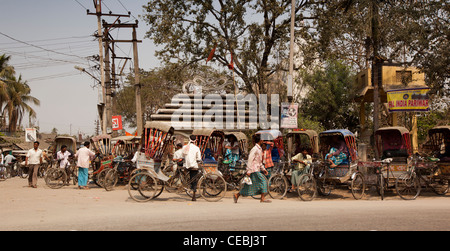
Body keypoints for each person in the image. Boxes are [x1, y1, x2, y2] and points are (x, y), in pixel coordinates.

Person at [234, 134, 271, 203]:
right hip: (254, 170)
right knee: (263, 181)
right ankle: (262, 198)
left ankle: (237, 195)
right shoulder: (255, 149)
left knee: (248, 186)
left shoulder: (259, 149)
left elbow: (259, 162)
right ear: (260, 140)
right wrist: (249, 170)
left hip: (256, 169)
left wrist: (263, 169)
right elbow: (250, 160)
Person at [182, 135, 202, 201]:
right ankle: (193, 196)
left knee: (188, 176)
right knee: (194, 180)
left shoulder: (185, 147)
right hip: (194, 166)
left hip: (186, 166)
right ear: (195, 140)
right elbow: (198, 158)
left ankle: (185, 183)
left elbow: (182, 155)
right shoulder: (196, 148)